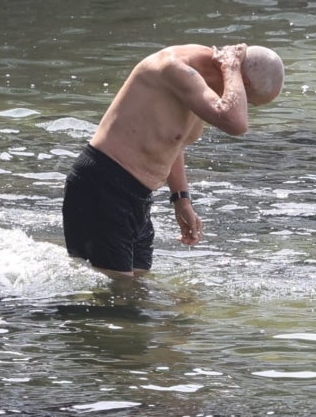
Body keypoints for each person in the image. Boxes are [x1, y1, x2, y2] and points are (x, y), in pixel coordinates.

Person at [62, 43, 284, 278]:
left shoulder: (201, 83)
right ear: (243, 82)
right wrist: (231, 67)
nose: (242, 105)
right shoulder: (176, 67)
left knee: (137, 286)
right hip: (103, 187)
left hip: (136, 196)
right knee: (118, 301)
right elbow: (236, 123)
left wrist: (181, 200)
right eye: (247, 102)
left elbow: (173, 141)